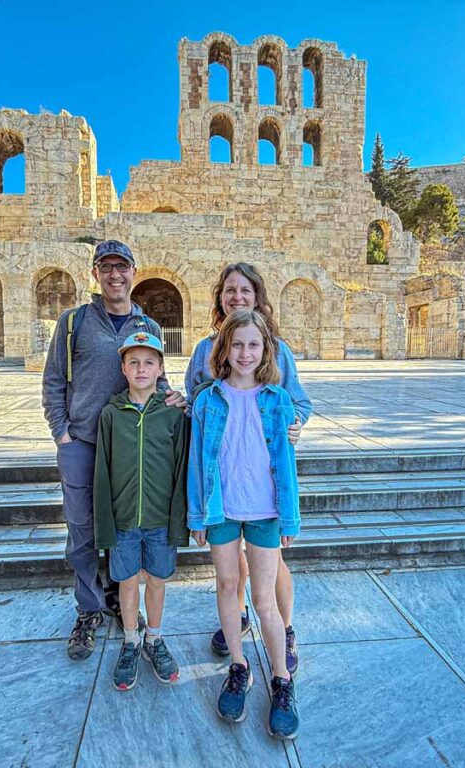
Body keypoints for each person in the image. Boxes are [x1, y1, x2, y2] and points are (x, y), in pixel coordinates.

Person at [42, 239, 184, 661]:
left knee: (123, 527)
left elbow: (157, 378)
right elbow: (52, 380)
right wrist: (61, 432)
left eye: (122, 267)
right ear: (96, 274)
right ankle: (88, 609)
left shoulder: (149, 326)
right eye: (106, 267)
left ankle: (118, 600)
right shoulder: (74, 323)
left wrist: (172, 398)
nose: (115, 275)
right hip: (84, 440)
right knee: (83, 529)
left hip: (130, 443)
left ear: (133, 272)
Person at [184, 263, 311, 675]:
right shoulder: (205, 348)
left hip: (262, 486)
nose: (236, 296)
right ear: (220, 296)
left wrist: (293, 426)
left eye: (245, 290)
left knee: (269, 575)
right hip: (223, 484)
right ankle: (236, 623)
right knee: (229, 569)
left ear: (257, 296)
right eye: (229, 290)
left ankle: (283, 629)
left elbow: (297, 404)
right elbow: (196, 402)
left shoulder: (275, 346)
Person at [188, 309, 301, 740]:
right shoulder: (207, 400)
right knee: (227, 586)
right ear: (224, 349)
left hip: (265, 510)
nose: (245, 352)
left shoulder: (277, 400)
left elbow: (287, 466)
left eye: (253, 344)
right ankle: (238, 666)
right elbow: (199, 462)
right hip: (221, 509)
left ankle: (281, 679)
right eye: (237, 344)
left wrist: (289, 515)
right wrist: (198, 515)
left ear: (265, 350)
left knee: (265, 597)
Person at [93, 331, 189, 690]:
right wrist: (104, 522)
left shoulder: (174, 414)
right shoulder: (111, 414)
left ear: (161, 368)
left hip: (160, 519)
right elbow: (102, 471)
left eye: (149, 361)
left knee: (158, 581)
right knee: (127, 581)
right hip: (122, 520)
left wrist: (180, 518)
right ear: (123, 368)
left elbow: (182, 469)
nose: (141, 368)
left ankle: (154, 637)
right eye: (133, 361)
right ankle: (131, 640)